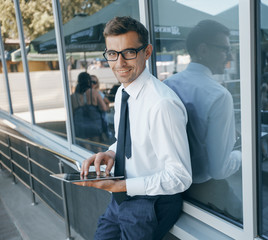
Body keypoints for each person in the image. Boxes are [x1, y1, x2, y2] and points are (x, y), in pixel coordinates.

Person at [75, 16, 192, 240]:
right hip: (121, 198)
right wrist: (110, 153)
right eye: (112, 54)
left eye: (129, 52)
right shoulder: (122, 93)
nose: (119, 63)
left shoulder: (162, 104)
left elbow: (180, 177)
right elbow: (128, 140)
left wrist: (123, 186)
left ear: (146, 52)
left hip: (151, 204)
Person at [165, 20, 242, 221]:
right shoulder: (219, 96)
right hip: (204, 191)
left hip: (172, 188)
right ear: (203, 50)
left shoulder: (166, 84)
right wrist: (243, 154)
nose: (230, 56)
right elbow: (219, 169)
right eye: (225, 49)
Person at [71, 72, 109, 141]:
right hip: (94, 124)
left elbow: (72, 113)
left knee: (86, 147)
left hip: (80, 125)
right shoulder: (94, 92)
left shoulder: (73, 96)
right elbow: (103, 108)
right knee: (97, 146)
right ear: (88, 81)